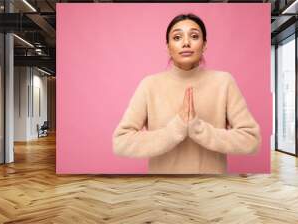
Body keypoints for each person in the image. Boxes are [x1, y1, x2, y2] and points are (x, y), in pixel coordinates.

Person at [112, 13, 261, 174]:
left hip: (213, 191)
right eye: (177, 37)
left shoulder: (224, 82)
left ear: (204, 45)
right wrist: (175, 129)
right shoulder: (149, 85)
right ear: (168, 47)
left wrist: (199, 129)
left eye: (194, 36)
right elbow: (120, 142)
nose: (186, 43)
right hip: (163, 192)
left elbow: (251, 140)